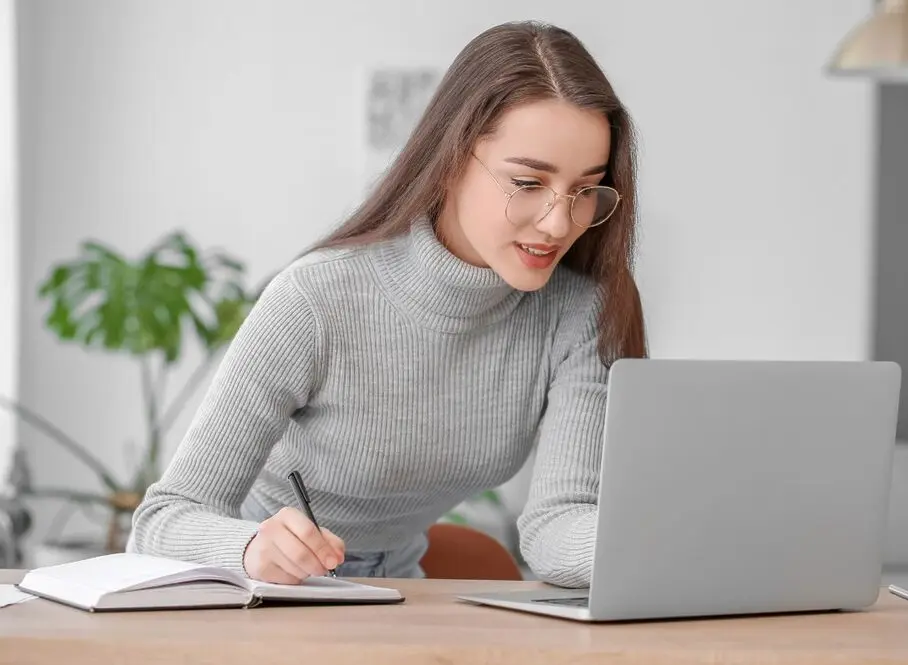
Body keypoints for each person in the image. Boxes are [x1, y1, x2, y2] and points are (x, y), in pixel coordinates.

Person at [130, 19, 646, 589]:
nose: (557, 223)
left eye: (584, 191)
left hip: (404, 594)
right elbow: (161, 521)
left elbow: (558, 524)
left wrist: (680, 546)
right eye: (527, 183)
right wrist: (250, 547)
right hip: (254, 590)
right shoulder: (315, 300)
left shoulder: (580, 313)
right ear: (452, 159)